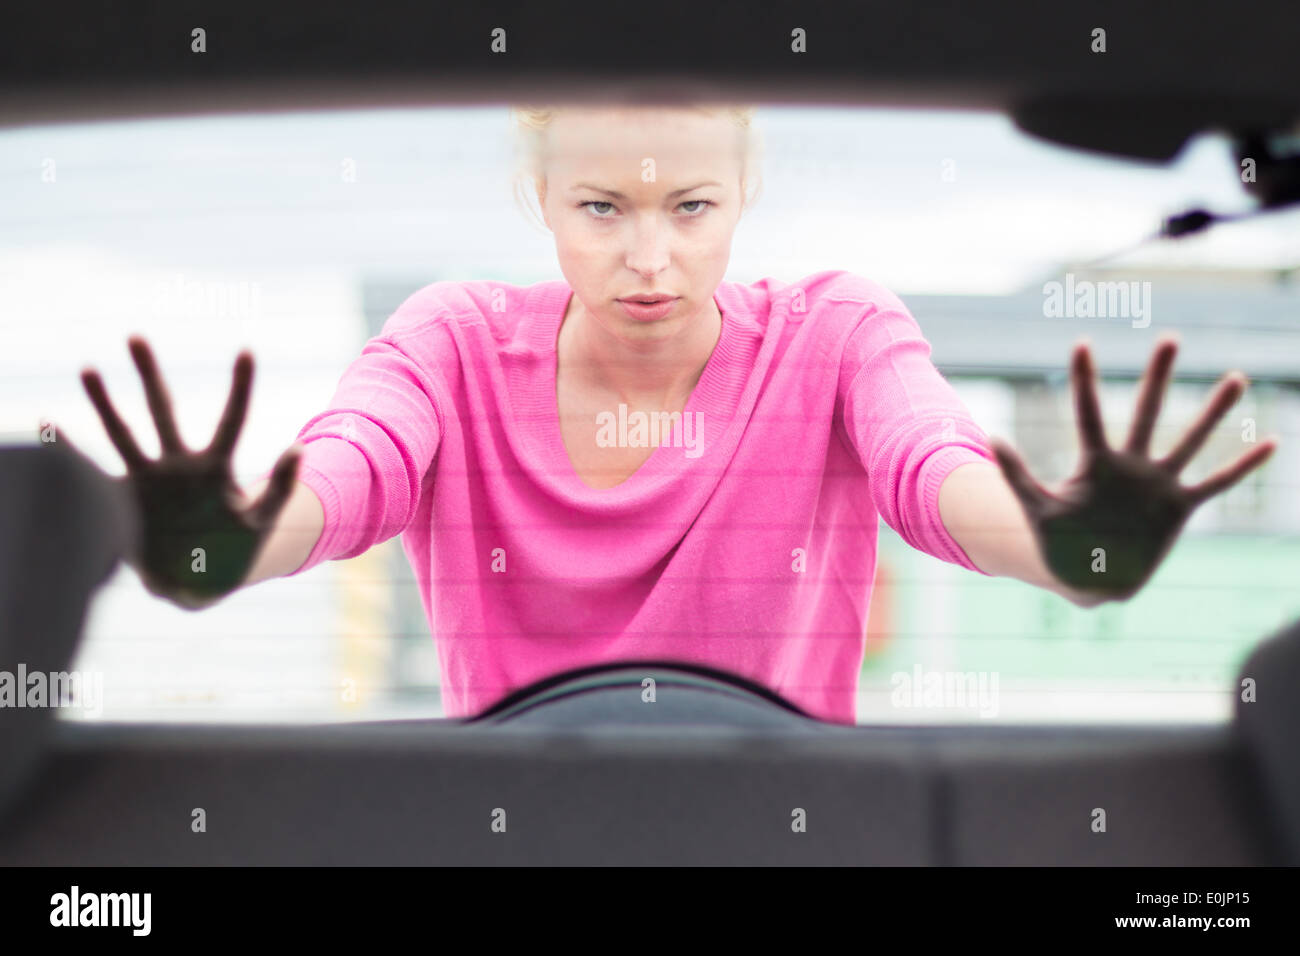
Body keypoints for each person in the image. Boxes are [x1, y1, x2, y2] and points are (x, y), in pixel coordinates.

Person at [68, 103, 1278, 724]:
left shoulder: (836, 332)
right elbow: (346, 477)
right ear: (539, 197)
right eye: (602, 206)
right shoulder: (449, 341)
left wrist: (1071, 549)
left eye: (689, 206)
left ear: (744, 190)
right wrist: (222, 545)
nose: (650, 258)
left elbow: (935, 469)